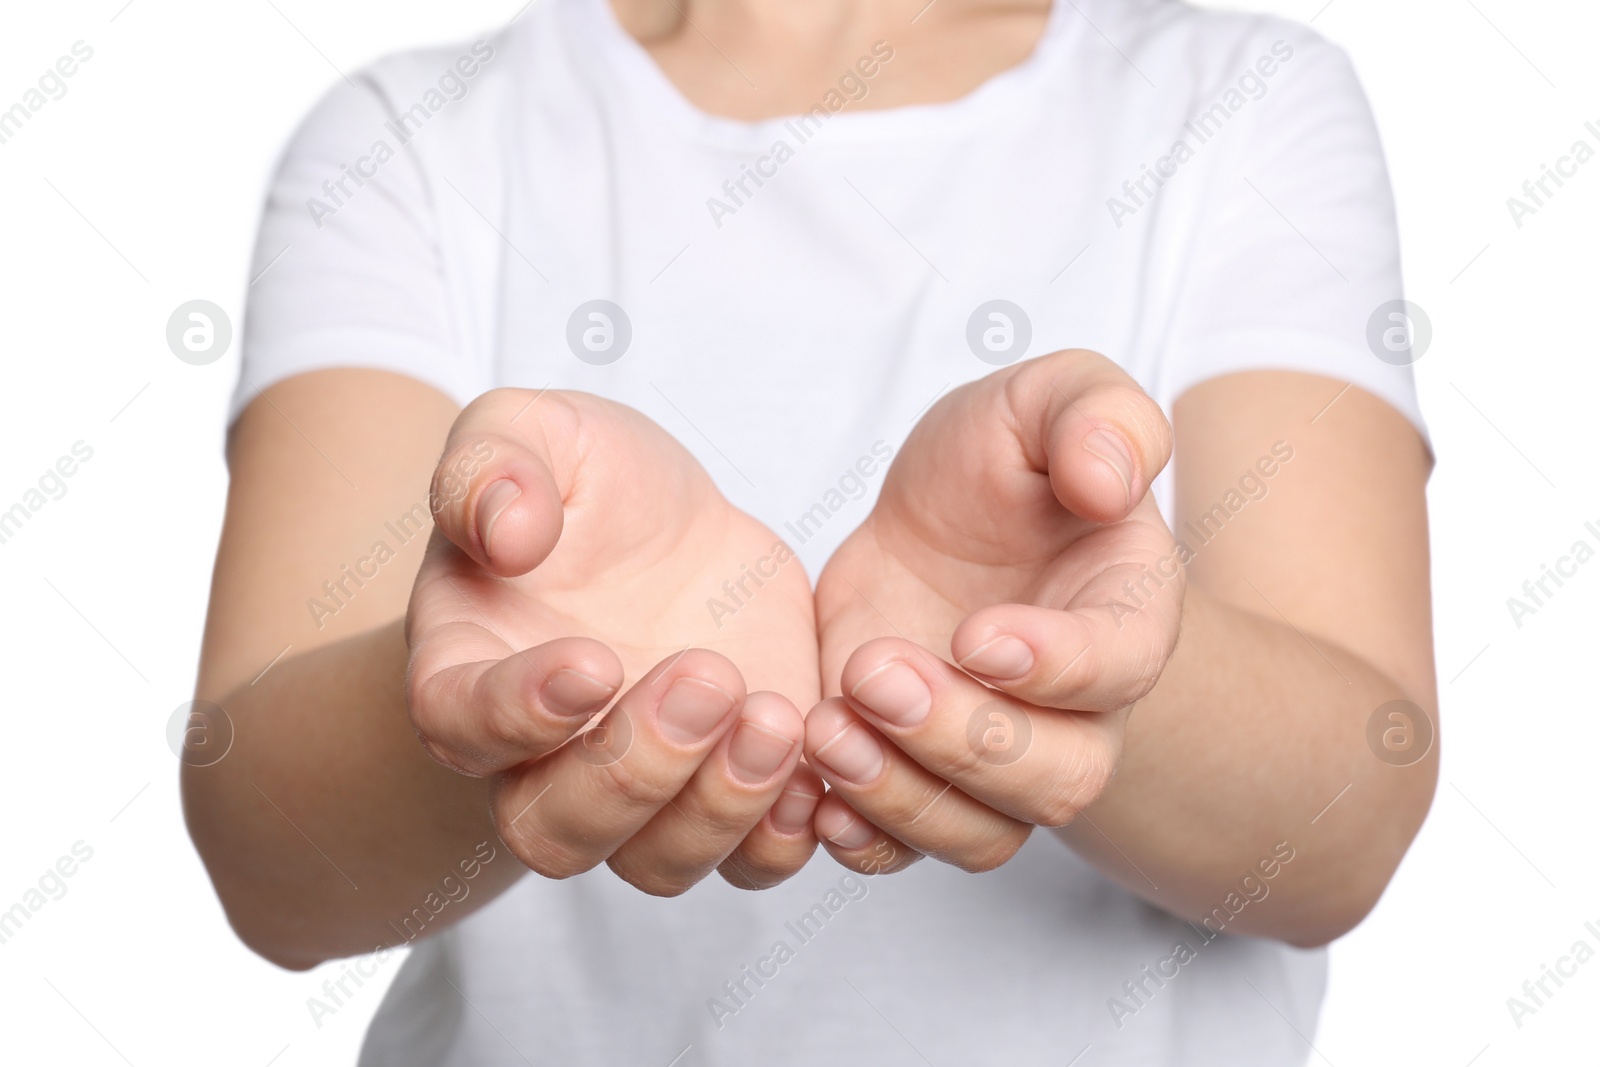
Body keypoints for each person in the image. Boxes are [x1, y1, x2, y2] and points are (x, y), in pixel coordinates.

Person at [182, 0, 1438, 1062]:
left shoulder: (1240, 103)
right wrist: (502, 702)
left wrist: (1087, 657)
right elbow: (269, 868)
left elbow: (1350, 824)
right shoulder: (414, 141)